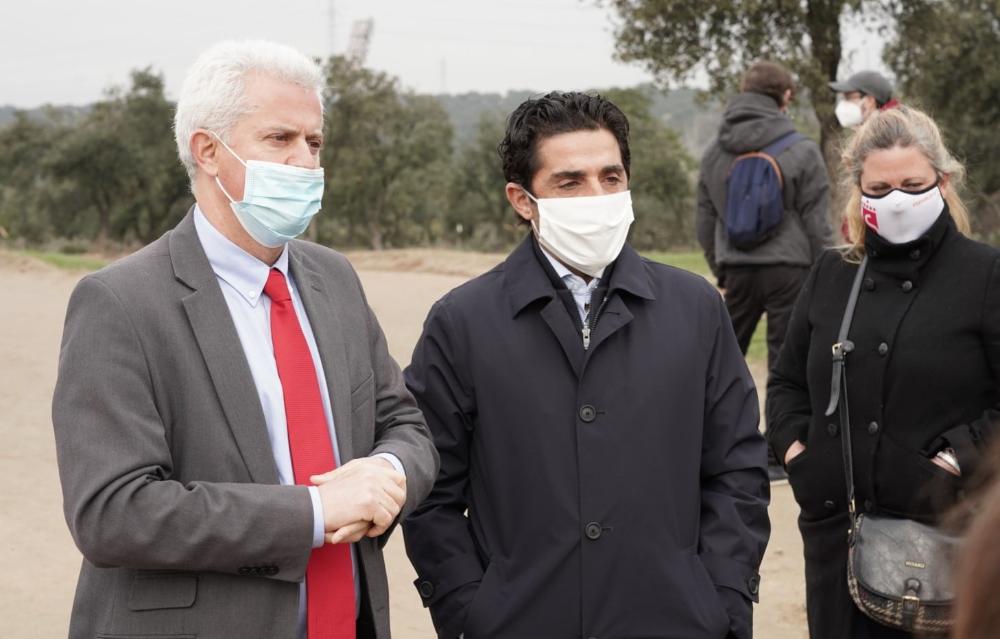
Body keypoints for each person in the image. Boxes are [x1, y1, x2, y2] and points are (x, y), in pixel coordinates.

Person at [51, 40, 438, 639]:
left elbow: (405, 423)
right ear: (208, 150)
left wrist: (389, 473)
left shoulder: (334, 278)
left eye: (314, 143)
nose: (305, 163)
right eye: (280, 139)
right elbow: (112, 511)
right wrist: (314, 513)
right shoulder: (120, 302)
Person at [403, 91, 770, 639]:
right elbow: (429, 488)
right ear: (522, 199)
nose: (596, 195)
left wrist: (721, 598)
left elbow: (737, 469)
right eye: (570, 182)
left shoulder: (695, 309)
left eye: (611, 177)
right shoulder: (462, 322)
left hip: (675, 621)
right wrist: (468, 611)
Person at [766, 105, 1000, 638]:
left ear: (942, 181)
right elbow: (785, 384)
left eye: (913, 184)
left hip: (941, 537)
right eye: (880, 188)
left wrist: (958, 457)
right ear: (859, 189)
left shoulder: (986, 275)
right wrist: (798, 453)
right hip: (836, 536)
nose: (897, 199)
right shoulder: (831, 273)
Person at [697, 60, 834, 481]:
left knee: (719, 359)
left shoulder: (715, 150)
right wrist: (824, 271)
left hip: (736, 267)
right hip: (789, 268)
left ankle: (713, 446)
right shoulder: (802, 148)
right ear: (786, 97)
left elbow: (705, 217)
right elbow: (817, 220)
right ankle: (777, 455)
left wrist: (719, 265)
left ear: (743, 91)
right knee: (784, 362)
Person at [830, 70, 900, 129]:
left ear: (870, 101)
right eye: (843, 98)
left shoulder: (889, 136)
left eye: (849, 98)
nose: (844, 104)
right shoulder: (875, 133)